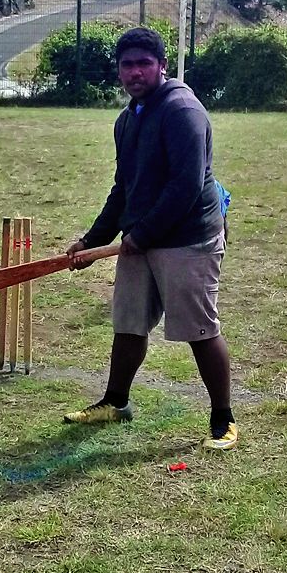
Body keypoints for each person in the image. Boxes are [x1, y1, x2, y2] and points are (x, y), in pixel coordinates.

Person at [63, 27, 236, 451]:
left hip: (188, 238)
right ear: (118, 70)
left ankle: (223, 419)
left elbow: (186, 186)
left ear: (161, 65)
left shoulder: (181, 111)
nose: (135, 72)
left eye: (144, 63)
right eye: (127, 65)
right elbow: (125, 187)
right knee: (129, 322)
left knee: (199, 329)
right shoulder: (128, 119)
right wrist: (92, 239)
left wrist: (140, 235)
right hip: (142, 237)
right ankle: (115, 402)